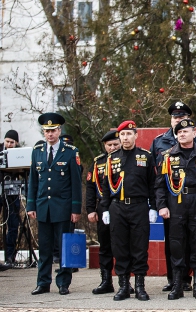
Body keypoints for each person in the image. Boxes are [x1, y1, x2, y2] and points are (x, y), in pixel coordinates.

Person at [151, 100, 196, 294]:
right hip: (175, 202)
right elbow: (159, 184)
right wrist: (161, 205)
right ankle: (177, 284)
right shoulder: (167, 156)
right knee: (176, 242)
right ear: (175, 135)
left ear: (194, 133)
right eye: (179, 132)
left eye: (186, 131)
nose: (182, 133)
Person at [100, 120, 157, 301]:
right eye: (122, 135)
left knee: (140, 247)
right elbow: (106, 186)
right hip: (117, 207)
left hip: (139, 207)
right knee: (120, 247)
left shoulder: (145, 157)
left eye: (129, 134)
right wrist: (105, 209)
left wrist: (153, 207)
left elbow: (152, 185)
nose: (125, 138)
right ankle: (124, 286)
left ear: (135, 135)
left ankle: (140, 286)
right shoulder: (112, 158)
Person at [26, 113, 82, 295]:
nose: (50, 134)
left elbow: (76, 182)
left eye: (53, 130)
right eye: (47, 131)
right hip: (44, 207)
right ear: (44, 132)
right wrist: (31, 205)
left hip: (64, 208)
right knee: (44, 248)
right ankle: (43, 283)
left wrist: (75, 208)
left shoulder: (70, 151)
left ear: (59, 131)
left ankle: (63, 282)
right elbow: (33, 181)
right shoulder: (38, 151)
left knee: (64, 246)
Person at [85, 130, 121, 294]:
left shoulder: (125, 160)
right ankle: (106, 281)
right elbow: (91, 188)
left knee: (122, 245)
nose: (113, 147)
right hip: (103, 207)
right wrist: (90, 210)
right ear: (105, 146)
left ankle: (124, 281)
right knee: (105, 245)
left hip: (122, 206)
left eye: (115, 144)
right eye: (109, 145)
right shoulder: (98, 162)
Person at [0, 130, 22, 270]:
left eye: (12, 142)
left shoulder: (19, 154)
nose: (9, 145)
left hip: (12, 193)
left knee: (13, 224)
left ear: (16, 143)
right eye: (7, 141)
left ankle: (10, 257)